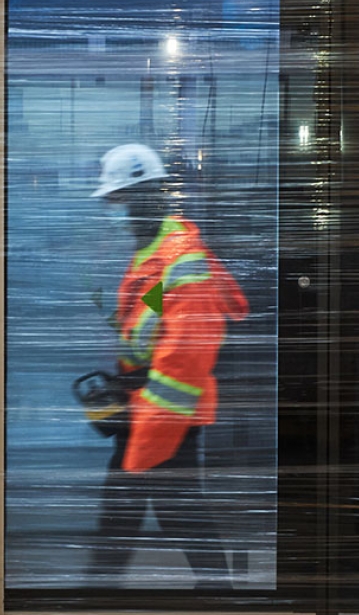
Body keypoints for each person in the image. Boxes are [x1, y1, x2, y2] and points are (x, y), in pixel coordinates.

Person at [84, 143, 248, 590]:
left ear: (146, 197)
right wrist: (121, 389)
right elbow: (151, 326)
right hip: (146, 404)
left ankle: (99, 595)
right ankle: (214, 589)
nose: (114, 212)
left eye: (119, 201)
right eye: (111, 203)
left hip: (165, 410)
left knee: (148, 506)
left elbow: (184, 359)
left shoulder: (180, 262)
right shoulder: (152, 253)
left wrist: (147, 430)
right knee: (168, 508)